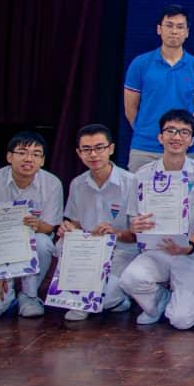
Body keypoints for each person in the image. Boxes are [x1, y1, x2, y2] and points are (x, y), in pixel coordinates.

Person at [120, 109, 194, 329]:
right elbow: (133, 219)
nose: (176, 137)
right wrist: (135, 226)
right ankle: (160, 301)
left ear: (192, 140)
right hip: (156, 250)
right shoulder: (142, 175)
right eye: (170, 130)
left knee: (181, 321)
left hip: (190, 254)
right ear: (160, 137)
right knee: (130, 279)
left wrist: (190, 245)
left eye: (184, 132)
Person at [0, 131, 61, 318]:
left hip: (27, 248)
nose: (28, 159)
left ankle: (29, 296)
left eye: (36, 154)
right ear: (9, 157)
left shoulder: (52, 184)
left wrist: (37, 225)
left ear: (42, 160)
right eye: (22, 152)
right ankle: (9, 293)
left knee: (43, 242)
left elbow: (49, 228)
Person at [56, 124, 138, 322]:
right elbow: (76, 223)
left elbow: (138, 236)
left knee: (104, 297)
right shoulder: (77, 184)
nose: (93, 154)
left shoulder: (131, 182)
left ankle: (119, 297)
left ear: (111, 148)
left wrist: (116, 232)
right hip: (89, 253)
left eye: (99, 148)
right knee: (60, 244)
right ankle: (90, 296)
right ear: (79, 153)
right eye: (87, 149)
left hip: (122, 251)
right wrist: (69, 228)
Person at [123, 4, 194, 172]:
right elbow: (130, 110)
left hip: (184, 150)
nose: (174, 31)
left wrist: (180, 138)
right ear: (159, 29)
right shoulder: (140, 64)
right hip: (145, 149)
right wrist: (149, 132)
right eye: (169, 25)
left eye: (180, 27)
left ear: (187, 32)